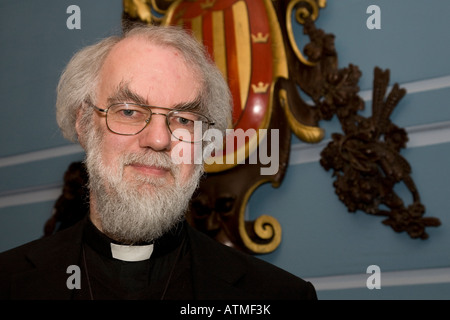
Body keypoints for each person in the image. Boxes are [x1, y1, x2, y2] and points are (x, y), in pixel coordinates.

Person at [0, 25, 317, 300]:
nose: (159, 139)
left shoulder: (277, 296)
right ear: (84, 124)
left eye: (183, 119)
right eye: (128, 111)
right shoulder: (9, 284)